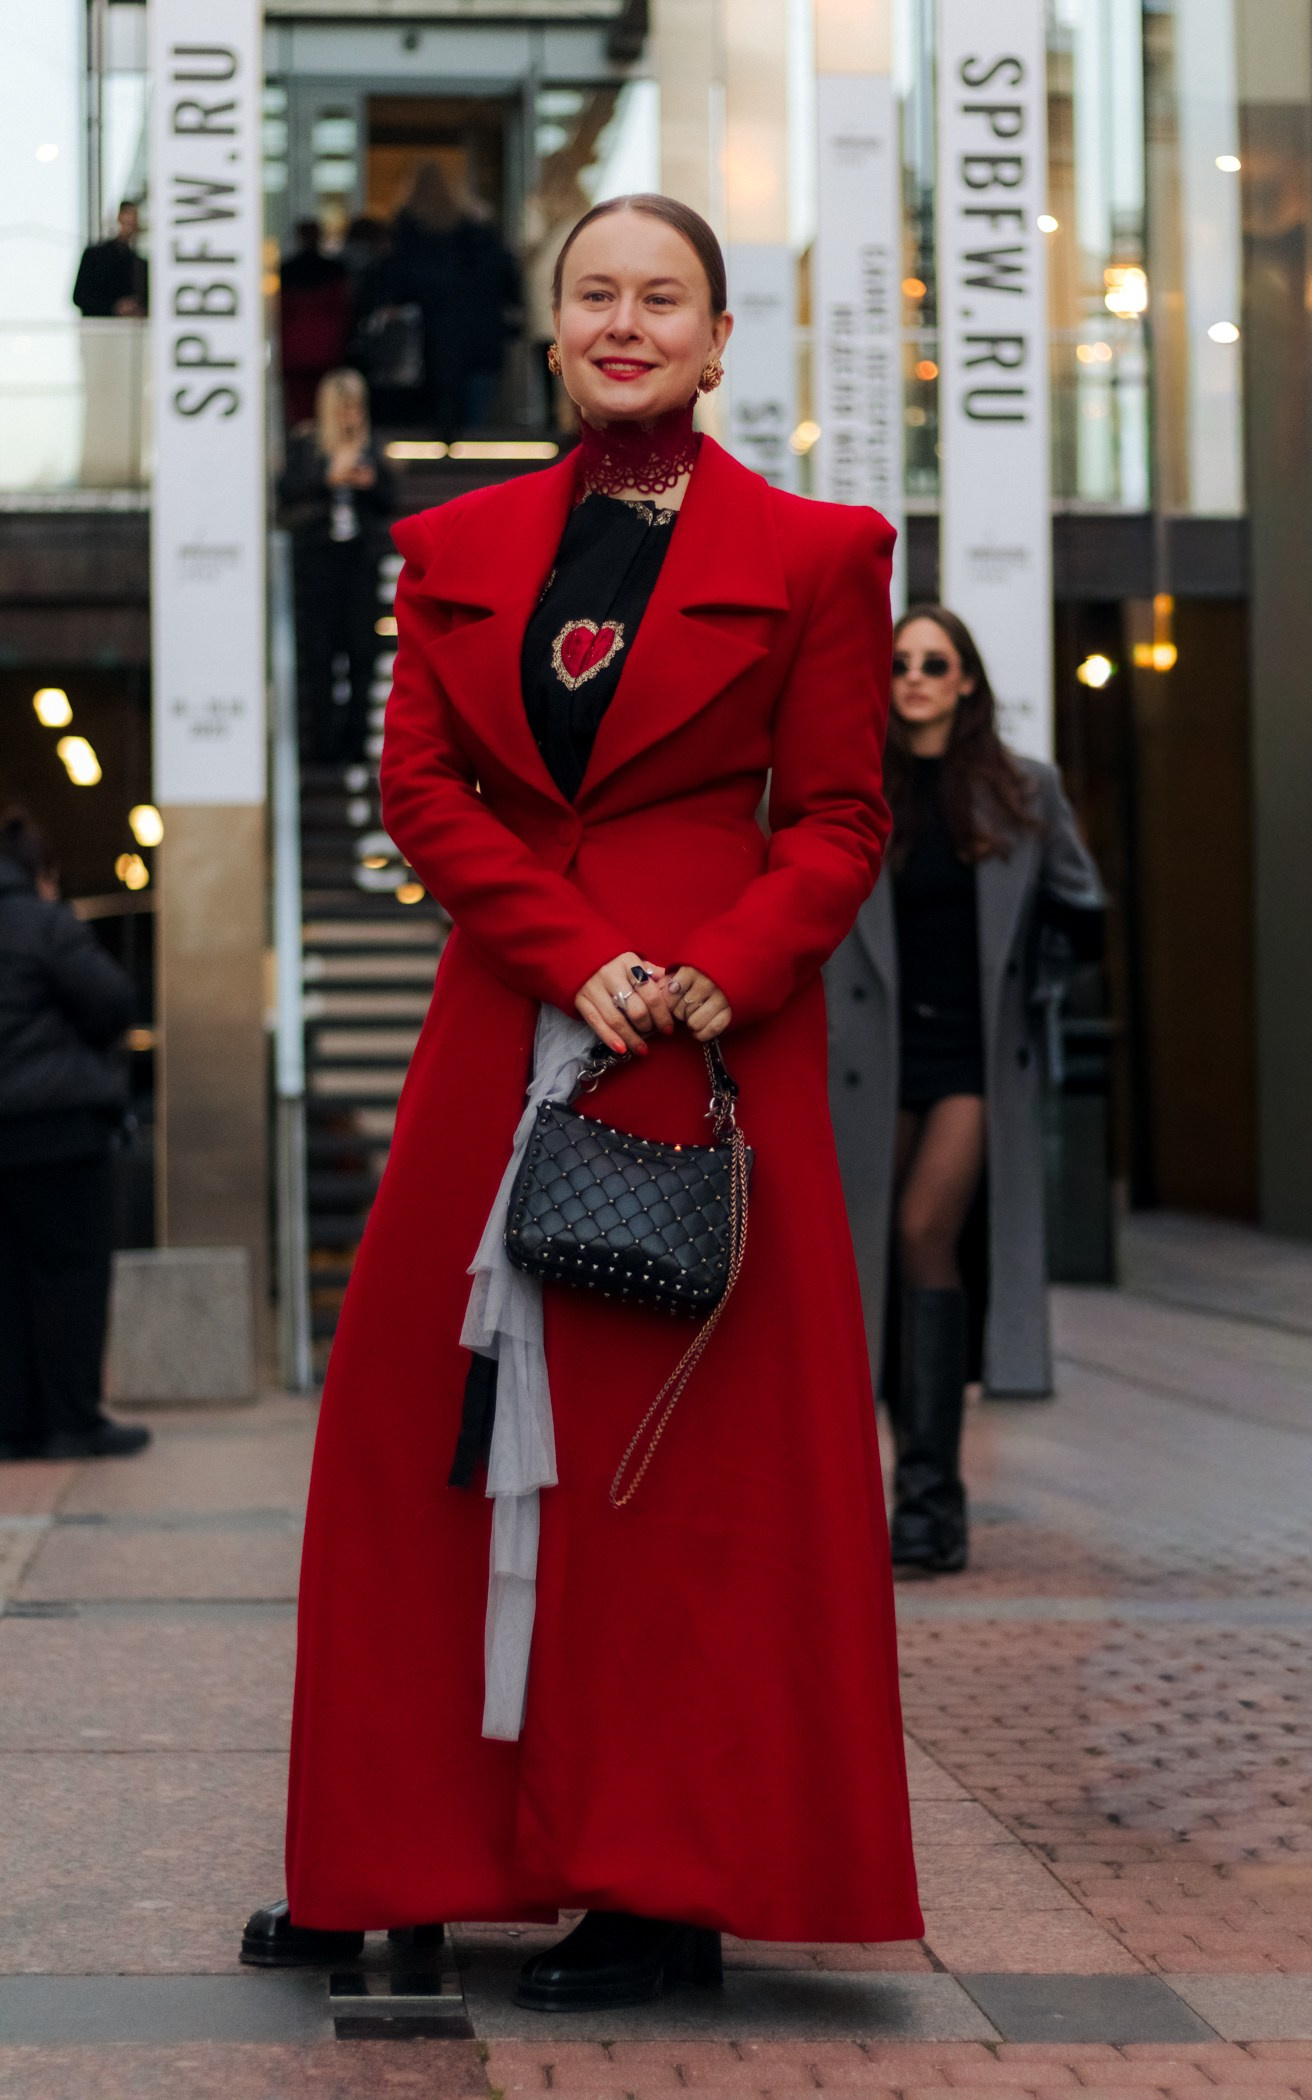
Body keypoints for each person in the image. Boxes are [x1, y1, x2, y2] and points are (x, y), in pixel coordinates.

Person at [242, 192, 921, 2003]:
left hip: (703, 1043)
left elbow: (840, 816)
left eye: (663, 298)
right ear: (552, 334)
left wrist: (729, 964)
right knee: (413, 1433)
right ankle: (386, 1848)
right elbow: (420, 789)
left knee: (674, 1469)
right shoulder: (452, 544)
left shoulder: (821, 554)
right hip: (506, 1022)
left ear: (718, 339)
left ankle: (660, 1884)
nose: (627, 323)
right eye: (596, 295)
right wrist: (563, 947)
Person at [825, 608, 1104, 1574]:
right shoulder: (856, 787)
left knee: (921, 1234)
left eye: (933, 663)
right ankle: (908, 1497)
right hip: (872, 1059)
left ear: (967, 681)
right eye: (899, 661)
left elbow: (1081, 907)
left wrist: (1036, 984)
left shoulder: (1023, 789)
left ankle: (930, 1498)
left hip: (972, 1062)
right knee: (871, 1259)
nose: (914, 677)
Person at [0, 809, 148, 1462]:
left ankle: (13, 1426)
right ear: (41, 874)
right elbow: (111, 1001)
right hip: (59, 1131)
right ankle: (72, 1422)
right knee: (71, 1277)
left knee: (7, 1282)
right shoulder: (45, 924)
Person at [278, 368, 397, 766]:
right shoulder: (307, 446)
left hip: (360, 561)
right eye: (344, 408)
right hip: (319, 560)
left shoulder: (372, 447)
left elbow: (389, 501)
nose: (351, 416)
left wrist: (370, 481)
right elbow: (286, 493)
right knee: (321, 653)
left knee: (362, 652)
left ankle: (357, 741)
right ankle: (324, 745)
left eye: (357, 408)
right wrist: (327, 479)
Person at [390, 163, 522, 434]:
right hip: (475, 334)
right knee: (473, 414)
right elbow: (501, 275)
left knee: (432, 413)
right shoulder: (473, 230)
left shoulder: (409, 232)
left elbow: (401, 281)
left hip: (430, 335)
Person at [279, 219, 351, 427]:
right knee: (327, 397)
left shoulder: (286, 271)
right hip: (327, 345)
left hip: (294, 346)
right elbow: (342, 310)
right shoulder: (334, 271)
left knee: (299, 403)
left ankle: (304, 434)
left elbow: (282, 312)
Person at [72, 201, 148, 318]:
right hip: (101, 325)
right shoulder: (95, 255)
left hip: (132, 326)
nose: (131, 223)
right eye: (128, 218)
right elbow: (80, 297)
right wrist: (114, 307)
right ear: (119, 218)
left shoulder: (139, 264)